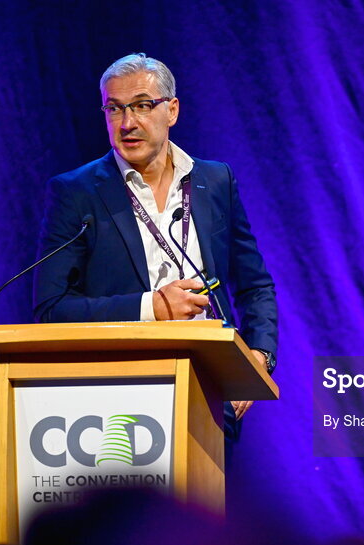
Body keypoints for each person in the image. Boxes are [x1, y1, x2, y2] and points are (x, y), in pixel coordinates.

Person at [33, 53, 277, 430]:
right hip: (118, 403)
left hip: (210, 398)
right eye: (114, 109)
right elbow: (51, 309)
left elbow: (254, 284)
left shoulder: (215, 181)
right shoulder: (76, 193)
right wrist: (152, 307)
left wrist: (257, 357)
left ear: (172, 110)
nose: (127, 123)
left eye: (143, 105)